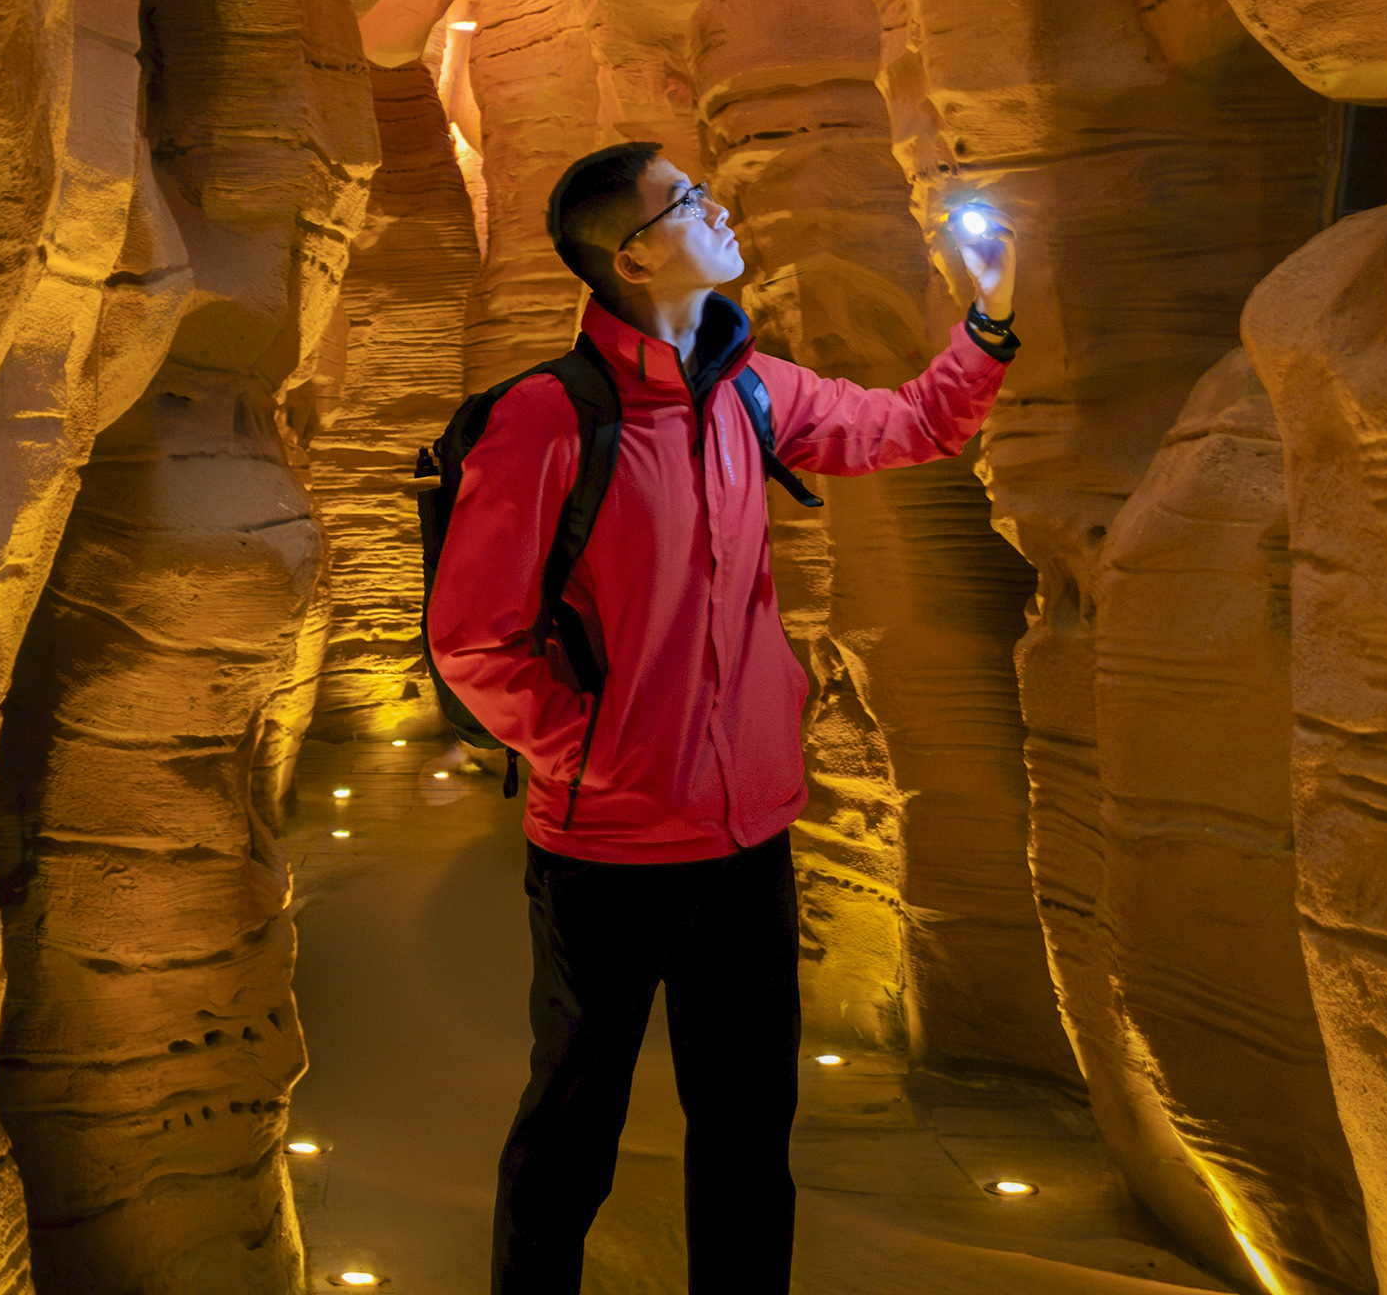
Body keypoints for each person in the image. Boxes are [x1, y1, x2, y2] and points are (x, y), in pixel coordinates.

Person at [426, 140, 1019, 1295]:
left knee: (748, 1133)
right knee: (571, 1129)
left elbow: (905, 425)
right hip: (604, 849)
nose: (722, 206)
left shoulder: (750, 388)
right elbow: (473, 640)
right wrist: (592, 756)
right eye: (691, 198)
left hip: (748, 838)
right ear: (634, 253)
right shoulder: (547, 419)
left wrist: (987, 321)